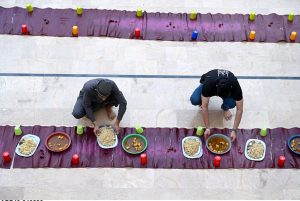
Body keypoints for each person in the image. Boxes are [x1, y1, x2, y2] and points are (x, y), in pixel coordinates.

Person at [190, 69, 243, 142]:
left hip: (222, 86)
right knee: (194, 100)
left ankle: (225, 108)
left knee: (232, 103)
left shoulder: (234, 84)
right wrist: (207, 128)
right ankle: (201, 100)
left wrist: (234, 130)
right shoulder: (208, 84)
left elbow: (240, 110)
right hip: (209, 82)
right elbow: (205, 107)